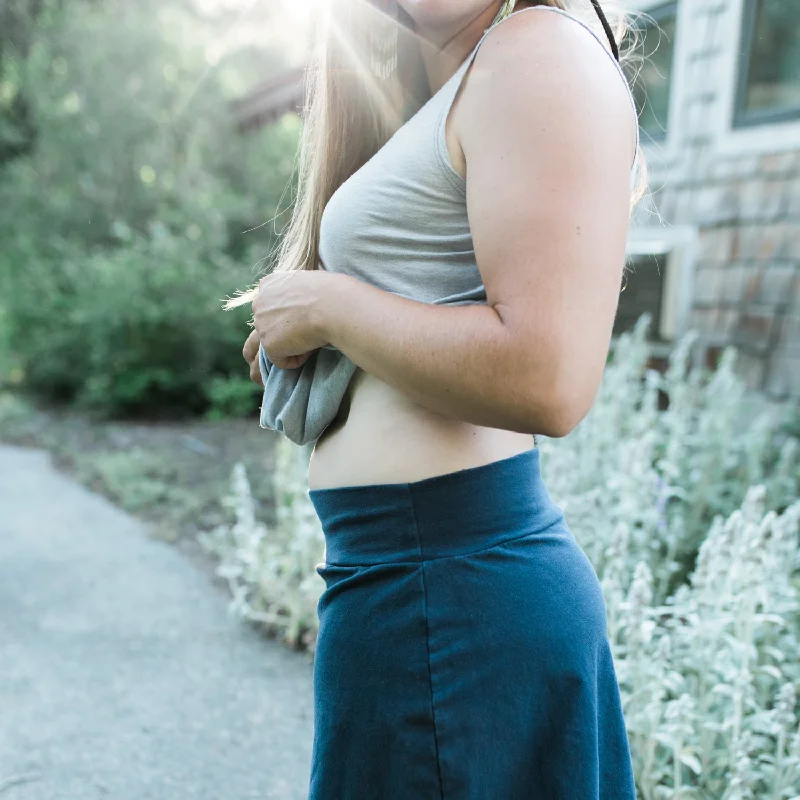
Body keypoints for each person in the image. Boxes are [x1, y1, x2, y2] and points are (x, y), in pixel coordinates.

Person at [234, 0, 647, 796]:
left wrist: (327, 307)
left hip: (452, 597)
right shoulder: (446, 75)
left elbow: (548, 378)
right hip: (404, 586)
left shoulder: (537, 52)